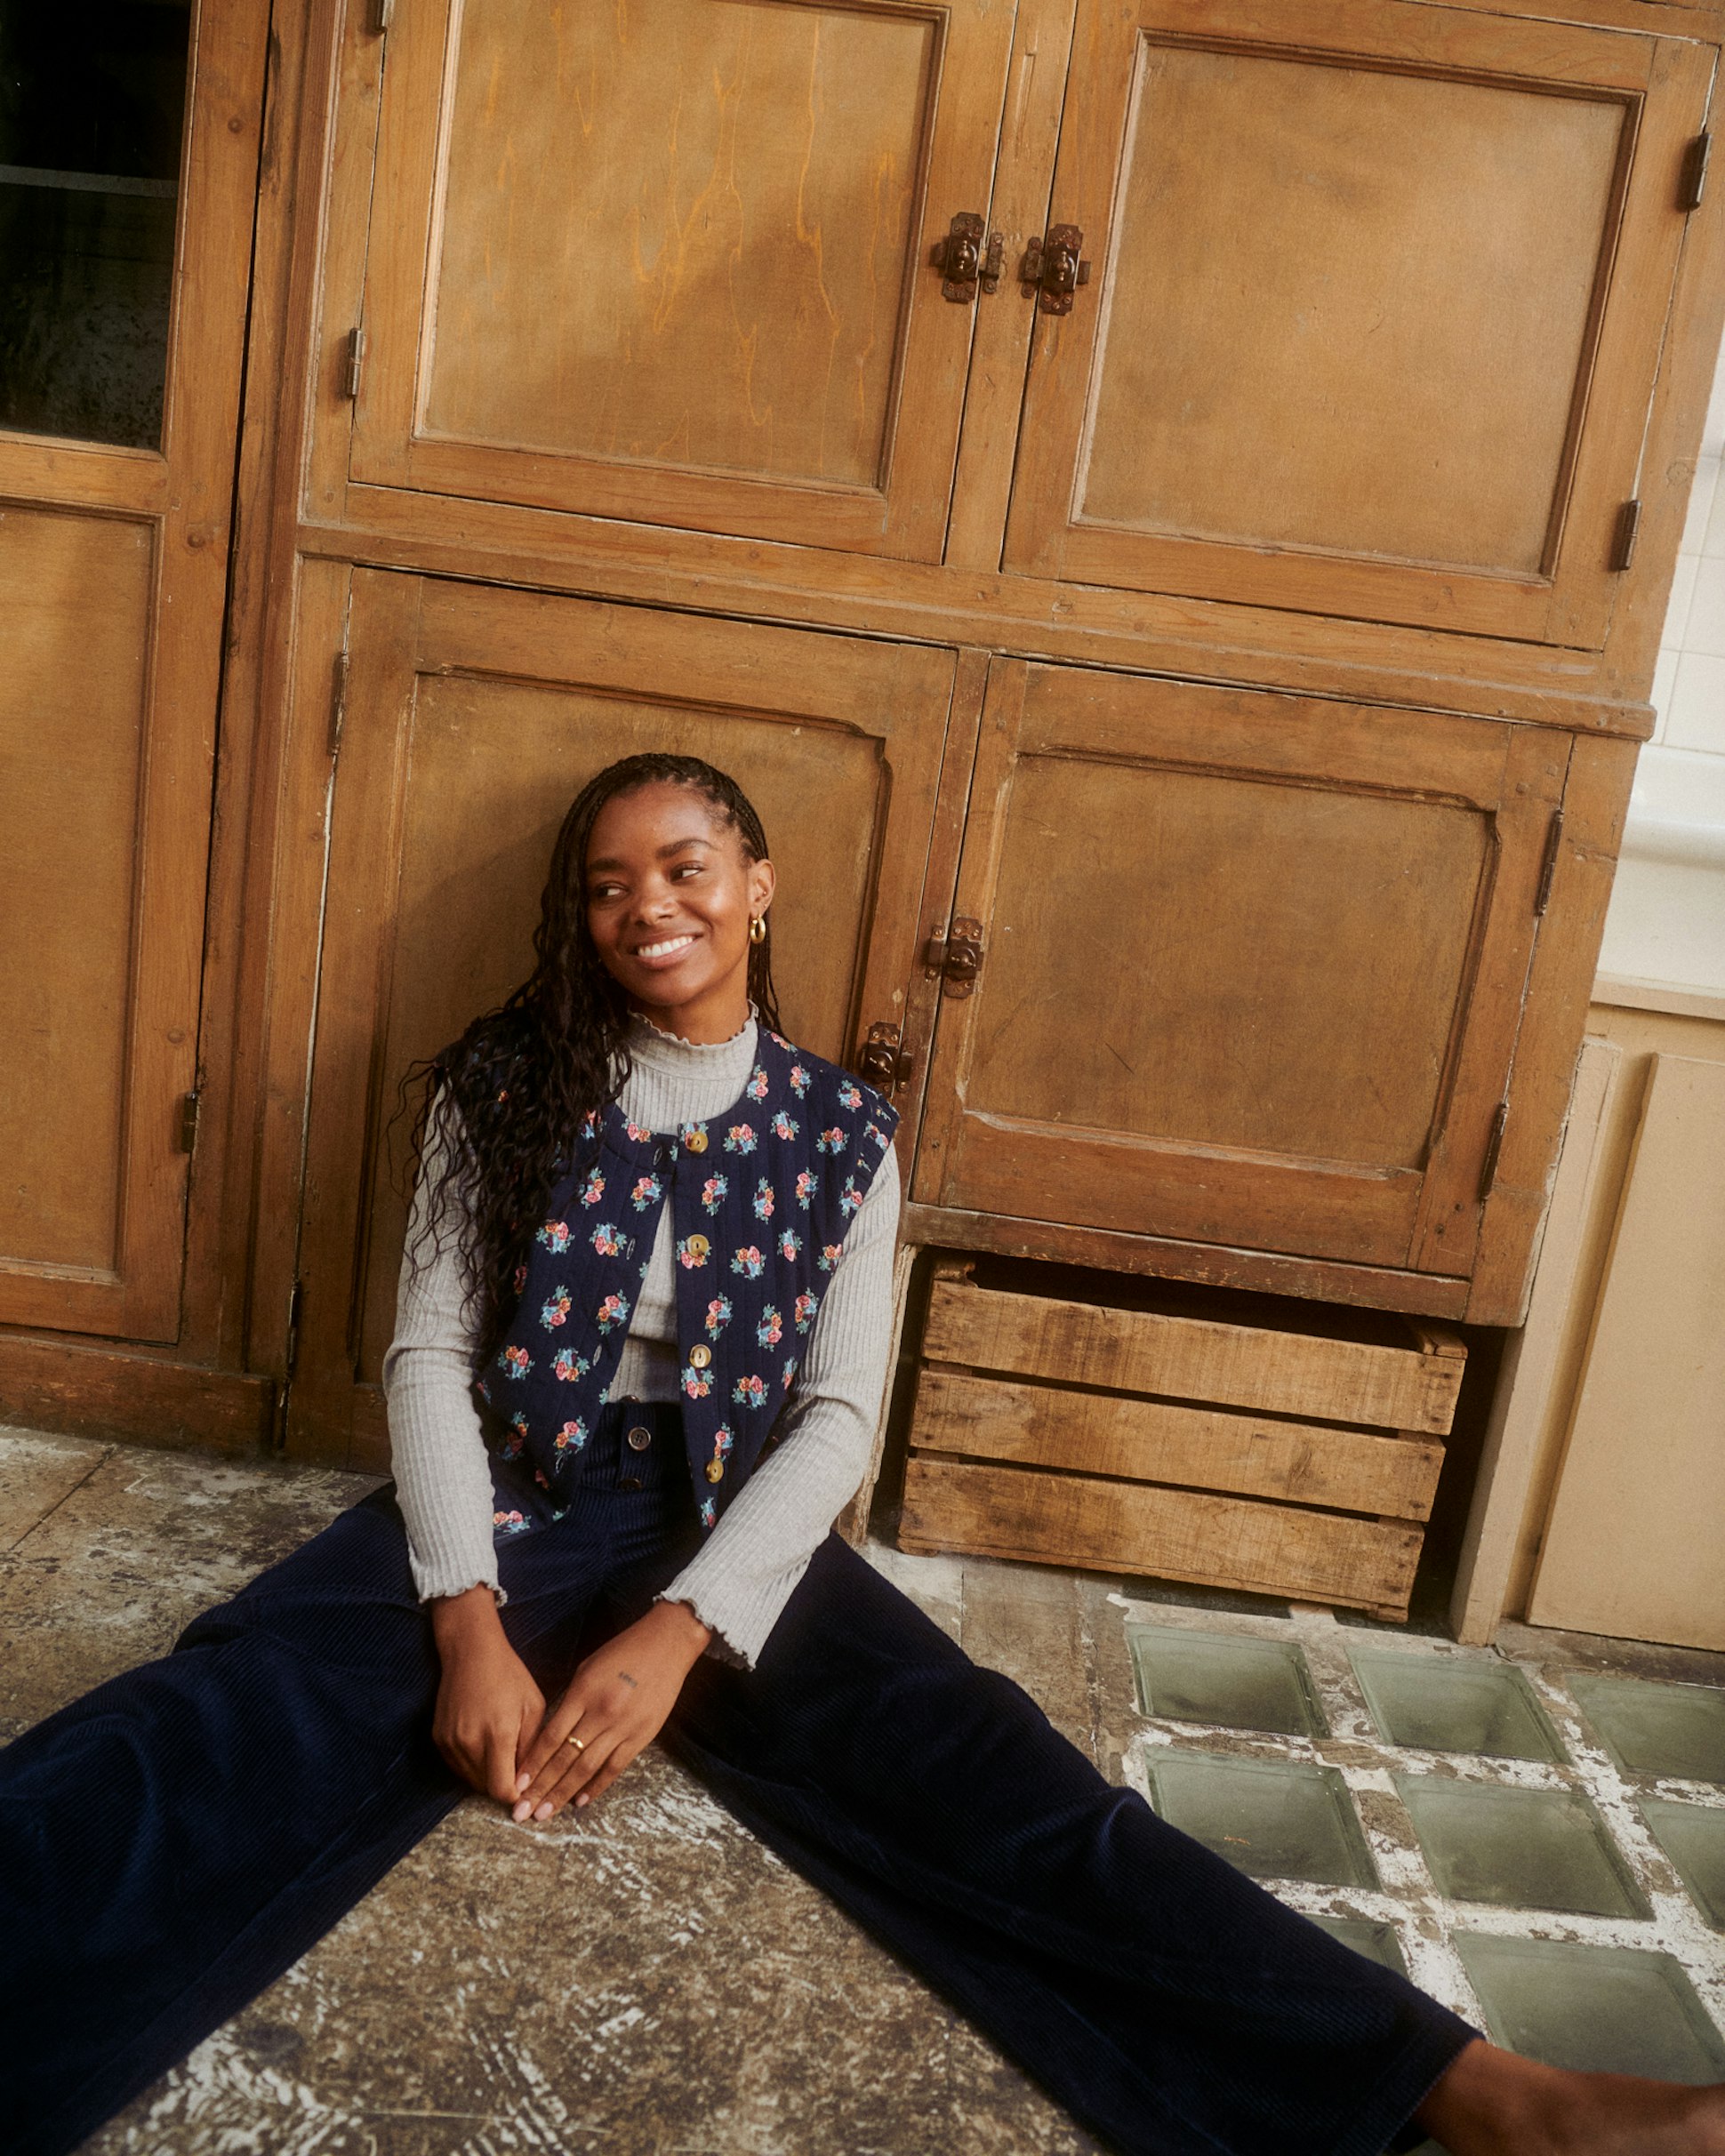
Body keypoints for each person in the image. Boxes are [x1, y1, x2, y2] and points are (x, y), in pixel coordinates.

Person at [2, 751, 1722, 2156]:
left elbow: (837, 1419)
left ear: (758, 885)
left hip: (736, 1510)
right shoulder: (497, 1088)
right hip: (516, 1486)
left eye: (684, 866)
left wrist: (684, 1627)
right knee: (214, 1719)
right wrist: (466, 1613)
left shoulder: (838, 1131)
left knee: (1003, 1781)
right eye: (607, 884)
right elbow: (428, 1359)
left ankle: (1486, 2098)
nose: (645, 907)